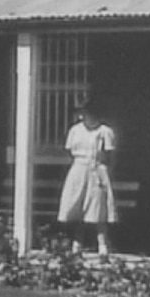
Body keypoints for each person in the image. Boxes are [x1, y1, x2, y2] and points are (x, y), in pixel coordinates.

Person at [57, 100, 117, 257]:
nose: (86, 117)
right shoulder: (75, 130)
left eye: (90, 114)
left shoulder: (105, 131)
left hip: (97, 169)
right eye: (84, 114)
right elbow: (69, 151)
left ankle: (102, 245)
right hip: (78, 170)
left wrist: (101, 171)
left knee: (98, 208)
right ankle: (77, 244)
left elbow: (109, 155)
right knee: (78, 206)